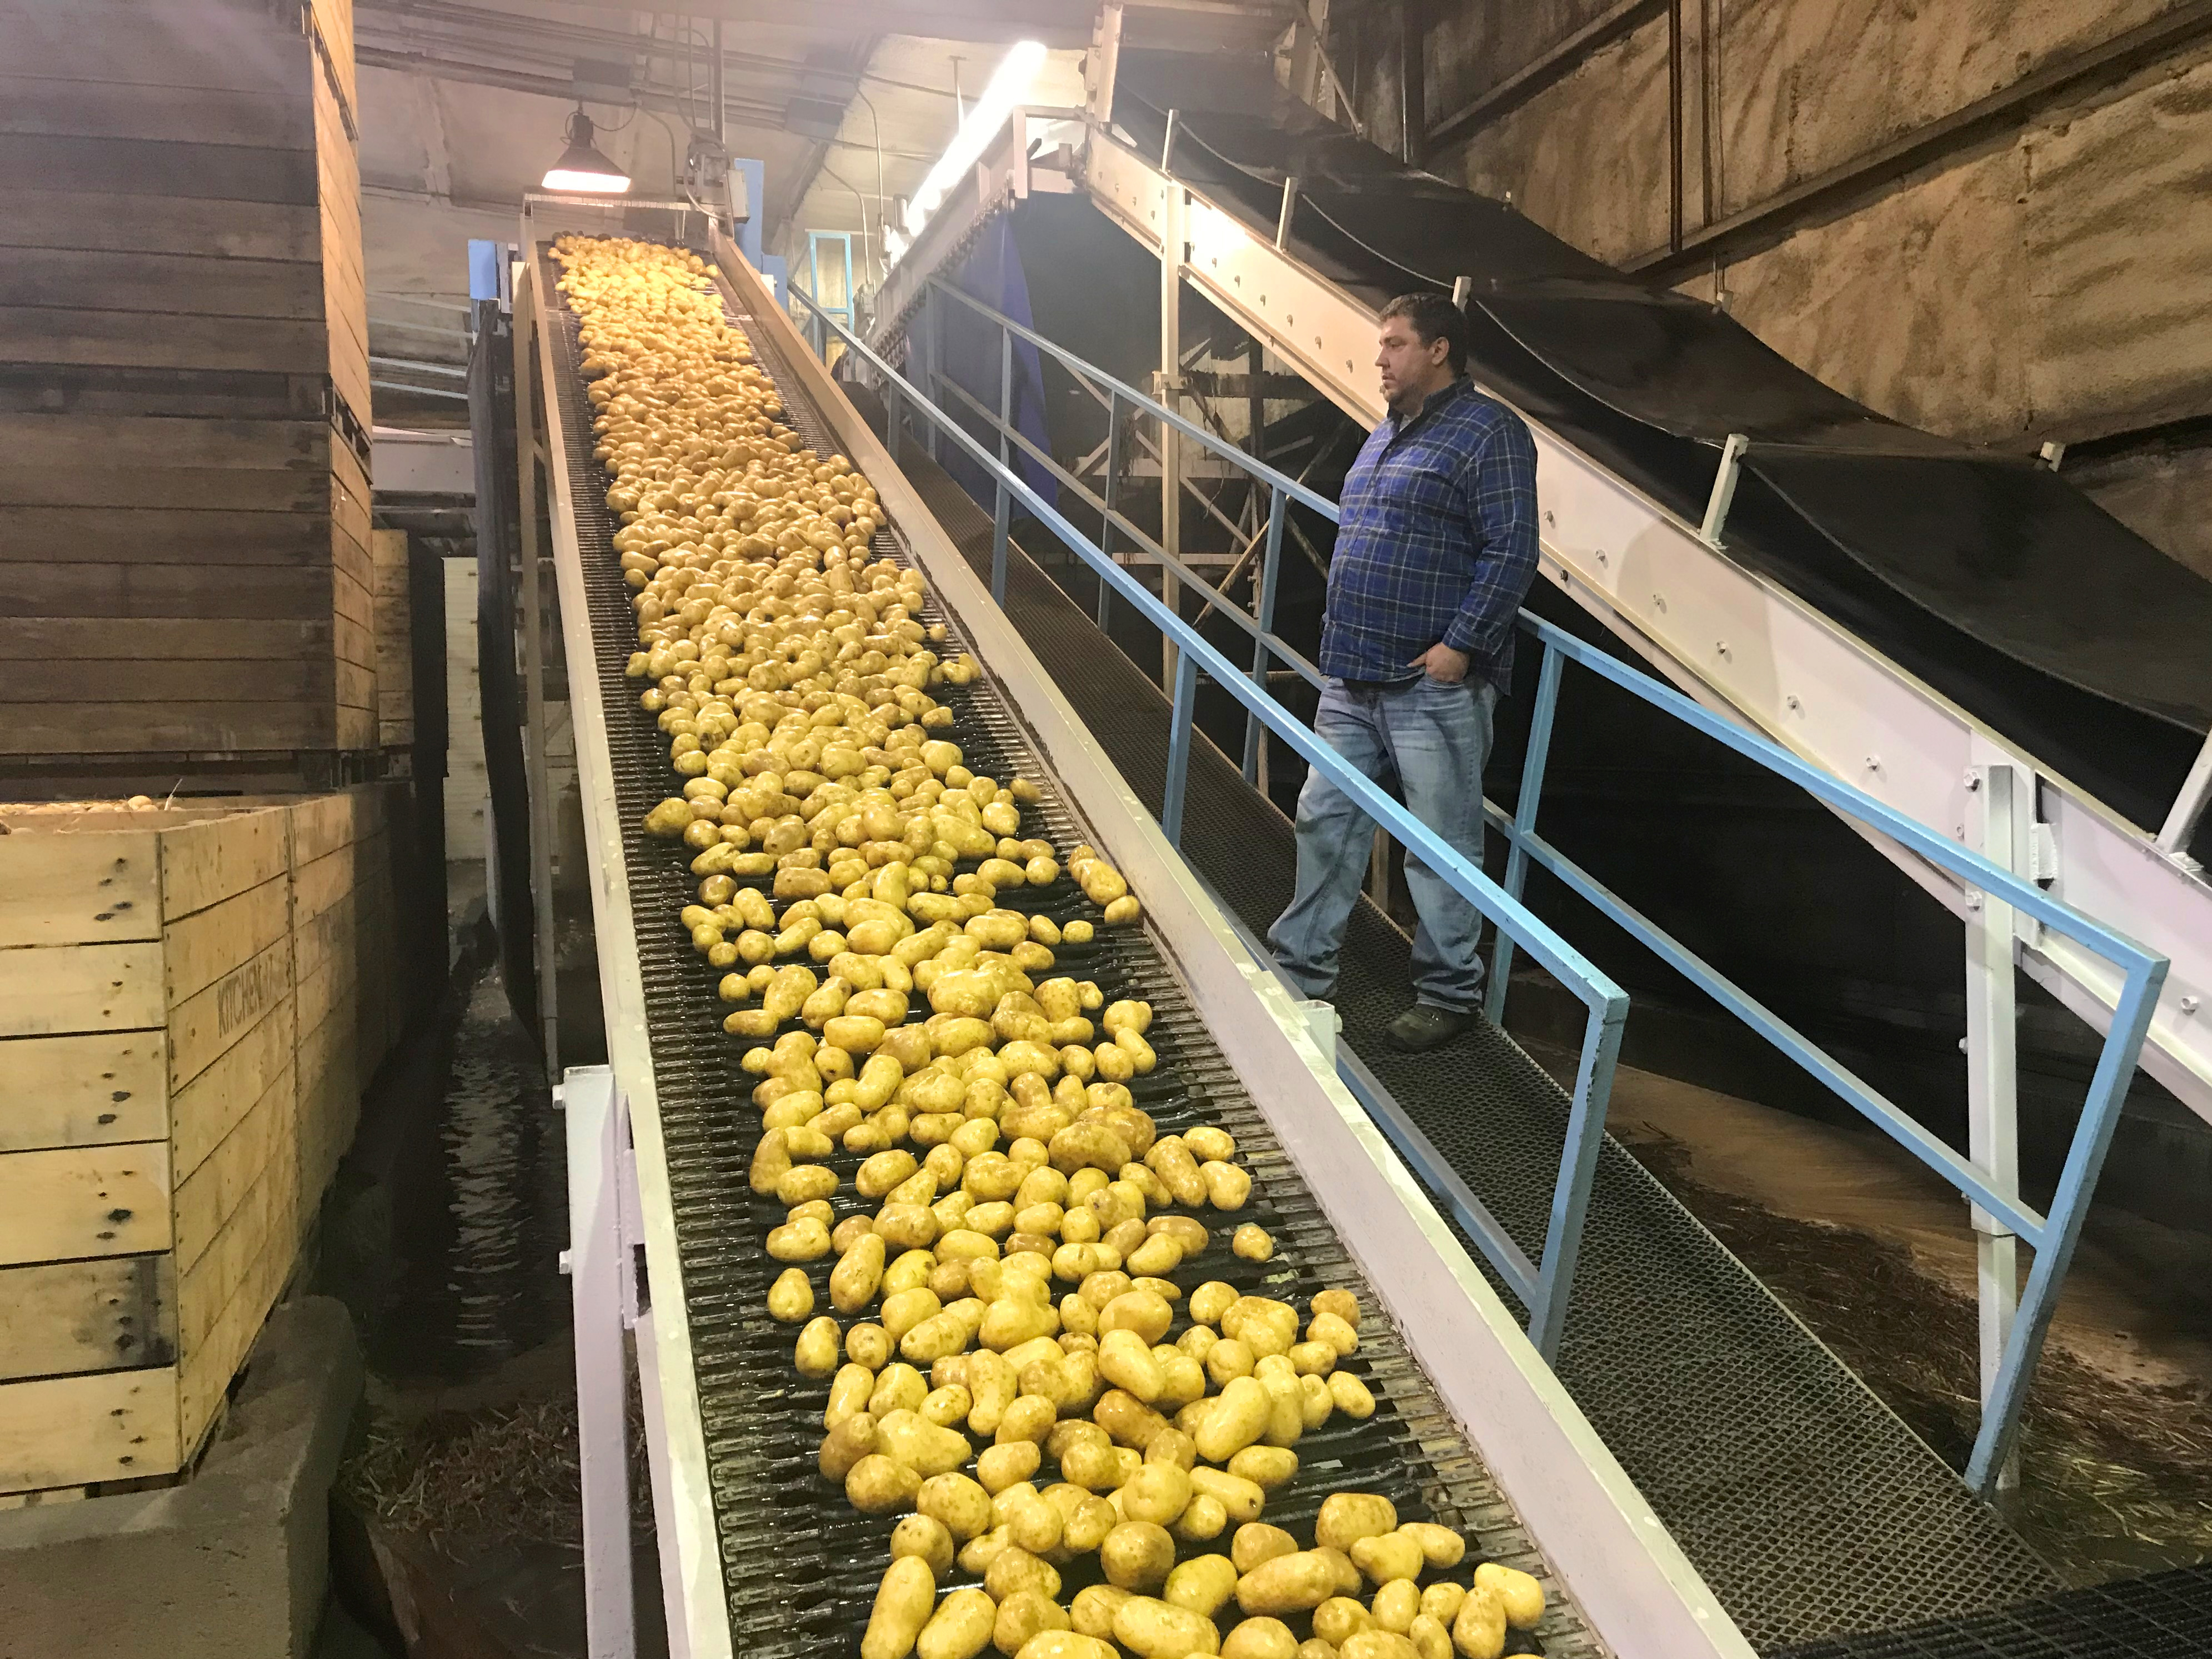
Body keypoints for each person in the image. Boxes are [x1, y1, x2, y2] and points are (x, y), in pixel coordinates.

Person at [1267, 290, 1540, 1052]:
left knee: (1440, 844)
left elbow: (1512, 548)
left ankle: (1449, 992)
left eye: (1392, 344)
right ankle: (1300, 970)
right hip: (1351, 676)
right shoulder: (1383, 434)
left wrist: (1461, 644)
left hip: (1431, 684)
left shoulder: (1489, 434)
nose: (1378, 358)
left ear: (1438, 350)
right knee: (1324, 819)